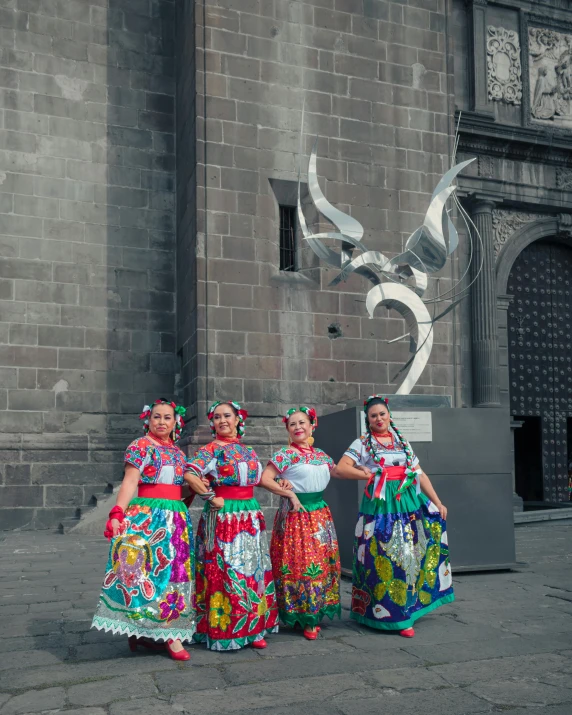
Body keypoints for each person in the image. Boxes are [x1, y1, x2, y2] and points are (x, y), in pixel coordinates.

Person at [185, 400, 301, 651]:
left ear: (238, 420)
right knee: (227, 571)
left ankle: (253, 627)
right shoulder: (210, 450)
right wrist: (209, 496)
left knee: (253, 570)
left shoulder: (247, 451)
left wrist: (286, 491)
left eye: (227, 416)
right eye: (217, 417)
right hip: (224, 517)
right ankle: (225, 629)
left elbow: (259, 480)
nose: (222, 421)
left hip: (249, 515)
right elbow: (190, 473)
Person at [336, 395, 454, 638]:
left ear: (389, 415)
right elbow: (340, 469)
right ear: (367, 419)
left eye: (382, 414)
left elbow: (419, 474)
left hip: (408, 502)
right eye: (373, 416)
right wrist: (367, 475)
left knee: (412, 552)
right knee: (384, 554)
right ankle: (389, 615)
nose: (379, 419)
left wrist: (437, 501)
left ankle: (407, 609)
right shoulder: (362, 443)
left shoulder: (402, 441)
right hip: (382, 506)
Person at [91, 399, 195, 661]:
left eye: (167, 417)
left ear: (175, 422)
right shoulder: (140, 446)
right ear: (148, 420)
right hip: (149, 516)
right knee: (149, 572)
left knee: (176, 572)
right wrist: (117, 512)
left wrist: (196, 487)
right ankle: (167, 635)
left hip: (176, 517)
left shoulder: (178, 452)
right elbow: (130, 480)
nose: (161, 422)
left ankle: (159, 630)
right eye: (156, 417)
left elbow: (178, 491)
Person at [265, 406, 341, 640]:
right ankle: (304, 616)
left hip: (320, 515)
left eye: (302, 423)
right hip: (297, 515)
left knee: (322, 563)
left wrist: (369, 472)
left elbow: (338, 471)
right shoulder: (285, 454)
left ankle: (315, 612)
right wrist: (288, 493)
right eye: (293, 424)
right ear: (288, 429)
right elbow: (264, 478)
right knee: (301, 563)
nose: (298, 427)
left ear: (312, 425)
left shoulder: (321, 455)